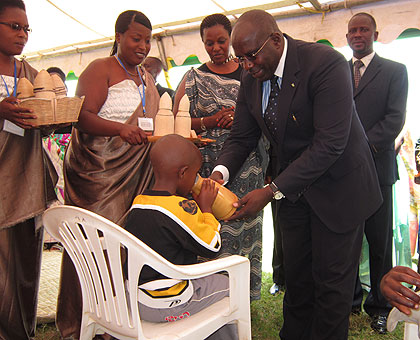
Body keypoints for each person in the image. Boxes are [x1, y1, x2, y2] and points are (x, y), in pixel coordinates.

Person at [210, 9, 383, 340]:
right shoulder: (251, 77)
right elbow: (242, 136)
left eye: (251, 56)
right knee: (297, 281)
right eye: (240, 58)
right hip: (293, 192)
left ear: (275, 40)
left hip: (339, 189)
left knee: (331, 289)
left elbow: (330, 144)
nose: (245, 66)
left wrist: (271, 190)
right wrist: (219, 174)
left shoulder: (325, 63)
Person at [57, 10, 160, 339]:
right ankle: (85, 320)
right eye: (136, 38)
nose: (143, 46)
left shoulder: (147, 77)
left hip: (138, 174)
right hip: (99, 175)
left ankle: (118, 321)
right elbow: (82, 117)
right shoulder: (99, 69)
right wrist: (119, 130)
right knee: (96, 246)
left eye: (147, 39)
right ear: (118, 37)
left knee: (129, 245)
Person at [173, 13, 268, 301]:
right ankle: (211, 297)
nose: (215, 48)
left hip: (250, 166)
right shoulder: (194, 77)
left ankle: (242, 298)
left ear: (232, 39)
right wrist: (210, 120)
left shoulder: (251, 72)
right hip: (209, 169)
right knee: (212, 229)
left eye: (221, 41)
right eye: (209, 43)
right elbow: (175, 120)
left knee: (246, 227)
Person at [125, 134, 238, 340]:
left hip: (137, 300)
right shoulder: (182, 209)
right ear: (183, 173)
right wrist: (206, 209)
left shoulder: (138, 202)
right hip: (167, 303)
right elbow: (212, 247)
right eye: (195, 174)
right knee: (232, 285)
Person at [346, 12, 409, 334]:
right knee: (346, 240)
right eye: (353, 30)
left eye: (363, 30)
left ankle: (380, 307)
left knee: (379, 242)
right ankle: (351, 300)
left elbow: (395, 119)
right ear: (346, 37)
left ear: (375, 33)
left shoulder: (396, 71)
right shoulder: (336, 72)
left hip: (378, 169)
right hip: (341, 174)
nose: (358, 35)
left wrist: (357, 150)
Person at [0, 0, 53, 339]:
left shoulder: (30, 73)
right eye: (14, 27)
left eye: (26, 29)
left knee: (26, 265)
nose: (22, 35)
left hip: (27, 181)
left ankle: (23, 332)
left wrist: (48, 120)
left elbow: (45, 122)